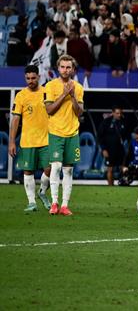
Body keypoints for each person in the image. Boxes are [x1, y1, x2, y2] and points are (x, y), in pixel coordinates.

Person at [45, 55, 84, 216]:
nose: (65, 70)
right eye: (62, 67)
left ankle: (65, 205)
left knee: (68, 170)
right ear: (58, 68)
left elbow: (79, 112)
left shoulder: (78, 87)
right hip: (55, 132)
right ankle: (54, 203)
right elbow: (49, 110)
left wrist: (73, 95)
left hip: (72, 133)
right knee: (56, 166)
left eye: (68, 67)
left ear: (73, 69)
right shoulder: (50, 86)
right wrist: (64, 94)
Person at [9, 65, 51, 212]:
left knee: (50, 169)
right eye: (28, 78)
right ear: (25, 78)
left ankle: (42, 192)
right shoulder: (20, 95)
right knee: (28, 172)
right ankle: (32, 202)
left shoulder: (47, 92)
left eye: (33, 78)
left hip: (46, 139)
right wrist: (12, 141)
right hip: (28, 140)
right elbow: (15, 119)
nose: (30, 81)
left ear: (39, 77)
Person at [98, 105, 128, 186]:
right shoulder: (106, 122)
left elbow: (127, 135)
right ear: (113, 113)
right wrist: (104, 149)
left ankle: (123, 184)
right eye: (117, 113)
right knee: (110, 168)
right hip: (109, 150)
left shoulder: (124, 121)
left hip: (120, 149)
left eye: (120, 113)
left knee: (123, 167)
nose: (119, 115)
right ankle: (110, 186)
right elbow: (100, 137)